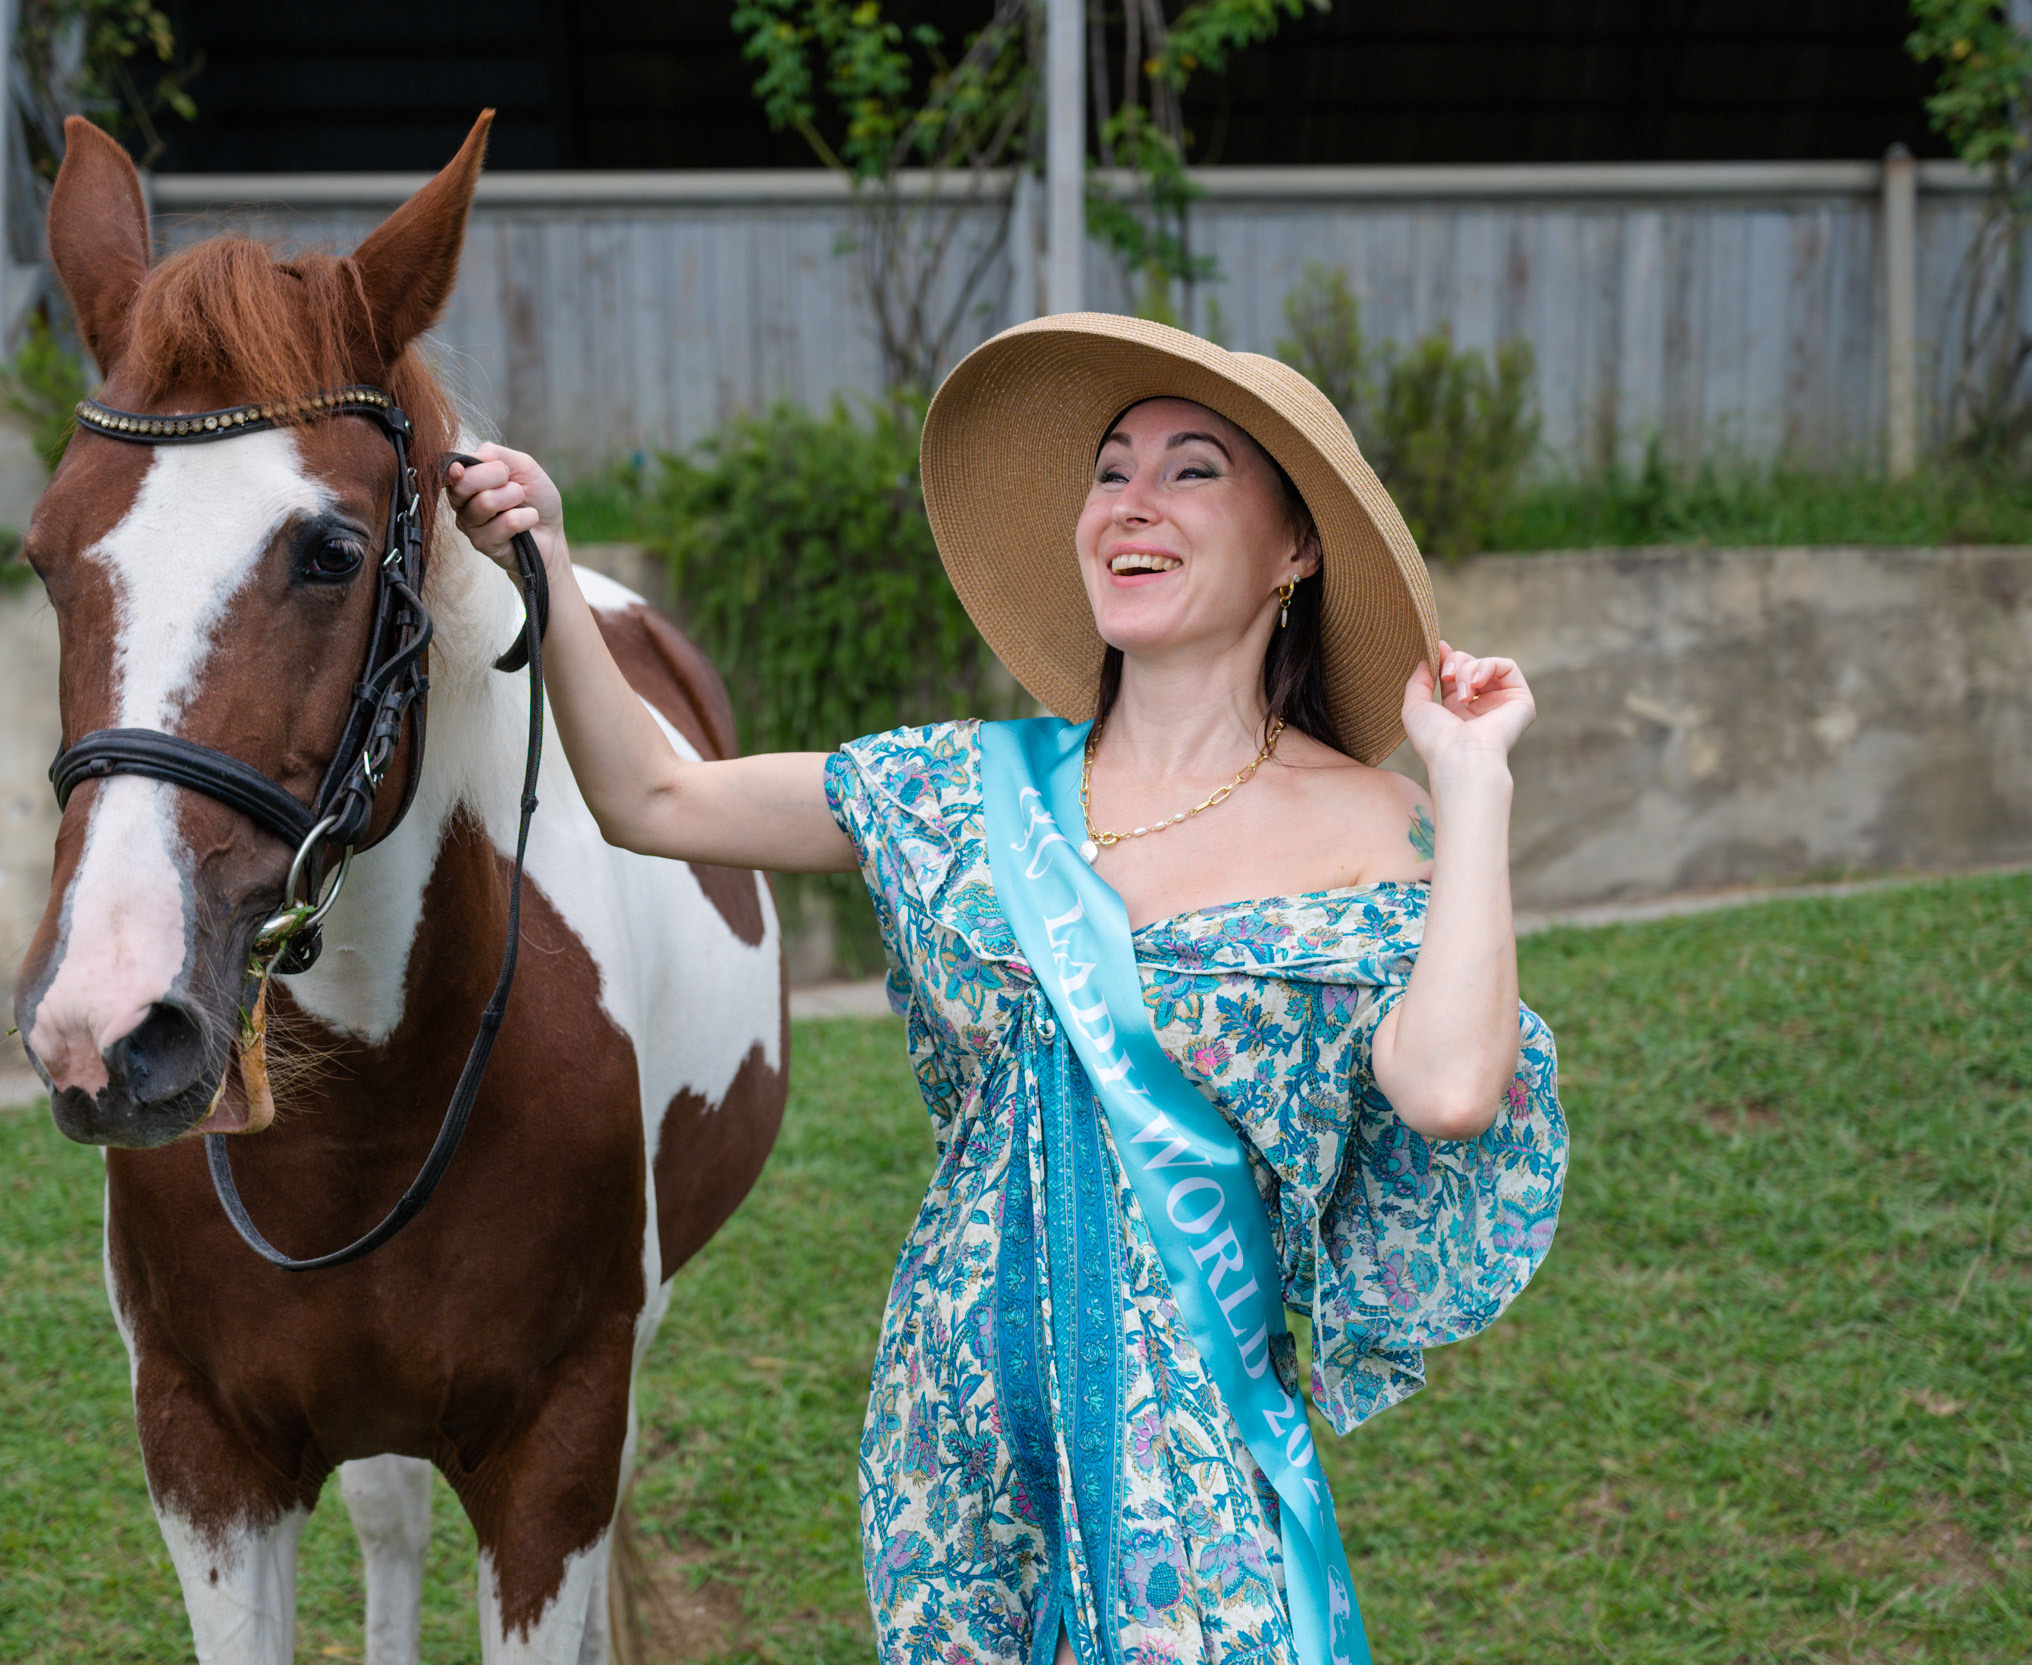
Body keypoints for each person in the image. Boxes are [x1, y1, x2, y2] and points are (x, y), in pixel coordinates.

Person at [448, 313, 1567, 1665]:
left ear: (1296, 546)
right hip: (961, 1463)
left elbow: (1450, 1086)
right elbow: (650, 792)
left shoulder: (1383, 827)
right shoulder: (961, 794)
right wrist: (551, 564)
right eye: (1110, 471)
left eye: (1192, 469)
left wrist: (1475, 776)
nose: (1131, 503)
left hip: (1191, 1486)